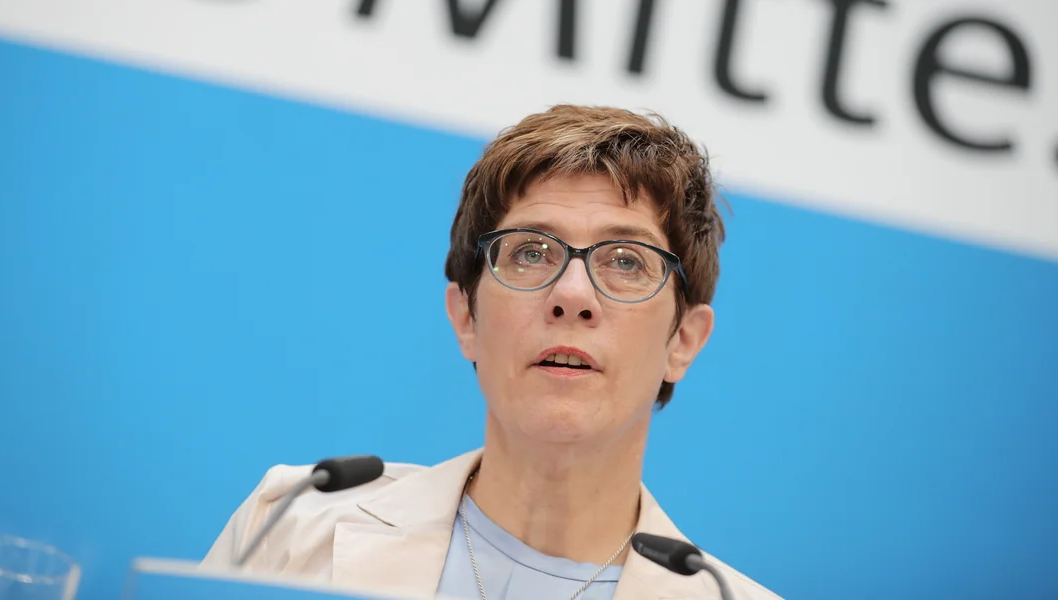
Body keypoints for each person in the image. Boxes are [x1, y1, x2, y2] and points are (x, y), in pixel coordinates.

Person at [199, 105, 782, 600]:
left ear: (683, 341)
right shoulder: (288, 530)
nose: (572, 296)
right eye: (530, 252)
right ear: (466, 317)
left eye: (626, 260)